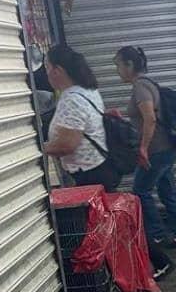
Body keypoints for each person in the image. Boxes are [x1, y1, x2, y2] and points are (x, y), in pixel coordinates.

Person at [114, 46, 176, 248]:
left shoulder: (140, 87)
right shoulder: (148, 84)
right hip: (167, 148)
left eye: (118, 65)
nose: (117, 70)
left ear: (129, 65)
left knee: (140, 190)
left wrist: (143, 148)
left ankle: (156, 235)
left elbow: (149, 119)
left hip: (156, 150)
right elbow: (146, 117)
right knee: (167, 191)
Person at [44, 45, 121, 192]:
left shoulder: (71, 99)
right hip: (100, 168)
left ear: (58, 71)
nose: (46, 74)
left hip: (89, 175)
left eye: (47, 68)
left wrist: (39, 148)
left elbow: (67, 145)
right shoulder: (88, 90)